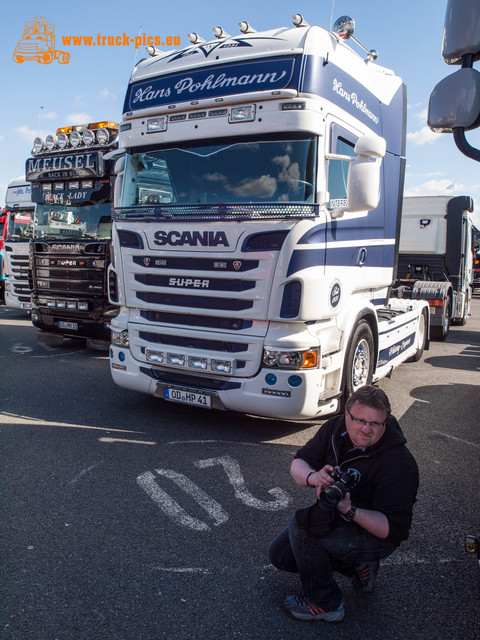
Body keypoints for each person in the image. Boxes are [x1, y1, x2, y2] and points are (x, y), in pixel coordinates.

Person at [268, 385, 419, 623]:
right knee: (280, 555)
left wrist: (349, 510)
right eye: (359, 420)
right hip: (336, 517)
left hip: (373, 533)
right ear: (347, 414)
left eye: (375, 423)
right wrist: (314, 477)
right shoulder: (335, 428)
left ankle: (326, 603)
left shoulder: (399, 464)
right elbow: (299, 463)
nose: (366, 429)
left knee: (304, 527)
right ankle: (359, 566)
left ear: (386, 421)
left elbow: (394, 531)